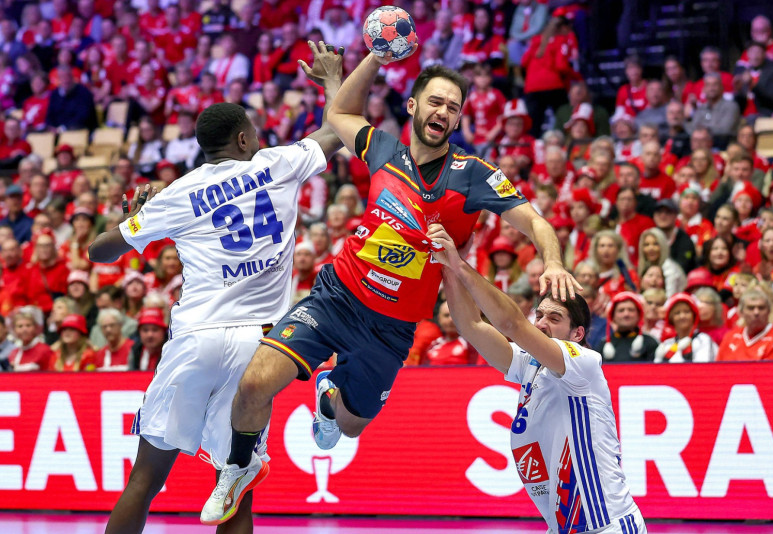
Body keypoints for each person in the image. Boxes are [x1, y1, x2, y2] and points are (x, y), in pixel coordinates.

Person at [202, 44, 580, 526]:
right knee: (254, 384)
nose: (443, 112)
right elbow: (339, 114)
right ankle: (237, 469)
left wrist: (553, 262)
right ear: (414, 105)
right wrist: (374, 59)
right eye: (436, 101)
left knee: (350, 427)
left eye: (453, 107)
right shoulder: (383, 150)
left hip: (392, 327)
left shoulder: (473, 175)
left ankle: (330, 396)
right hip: (337, 298)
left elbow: (536, 222)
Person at [90, 42, 345, 533]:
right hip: (256, 346)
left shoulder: (178, 192)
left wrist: (136, 217)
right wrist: (331, 80)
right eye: (256, 134)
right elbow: (337, 129)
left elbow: (99, 252)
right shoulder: (278, 164)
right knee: (235, 488)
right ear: (244, 139)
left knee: (145, 479)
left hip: (195, 337)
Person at [425, 222, 647, 532]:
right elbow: (471, 326)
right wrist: (446, 266)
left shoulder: (583, 362)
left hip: (607, 525)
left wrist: (461, 265)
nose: (541, 323)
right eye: (539, 315)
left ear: (577, 333)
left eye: (554, 318)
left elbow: (512, 324)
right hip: (563, 527)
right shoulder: (530, 364)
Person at [717, 287, 773, 361]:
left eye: (761, 308)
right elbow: (718, 365)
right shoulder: (730, 337)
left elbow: (772, 368)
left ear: (769, 311)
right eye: (751, 308)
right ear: (741, 312)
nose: (756, 312)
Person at [654, 293, 718, 363]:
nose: (682, 316)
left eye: (687, 311)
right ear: (671, 318)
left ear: (694, 315)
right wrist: (658, 360)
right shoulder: (667, 344)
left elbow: (702, 367)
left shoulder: (703, 339)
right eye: (677, 313)